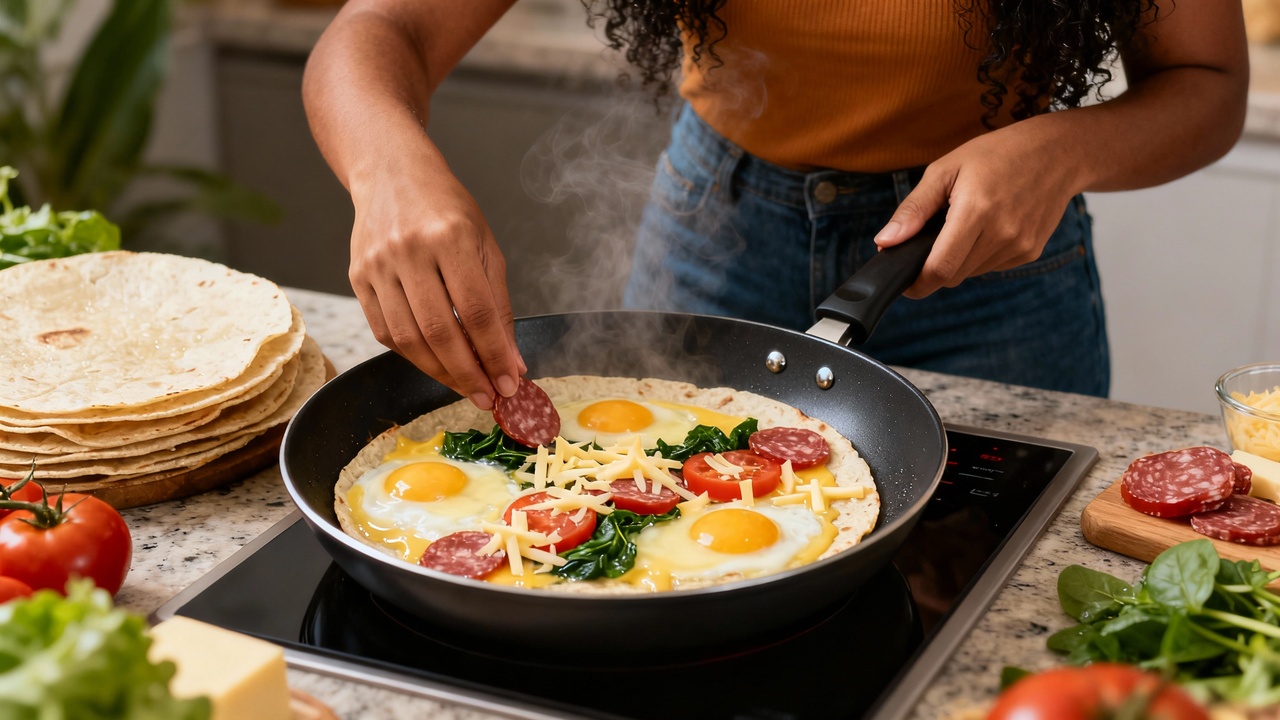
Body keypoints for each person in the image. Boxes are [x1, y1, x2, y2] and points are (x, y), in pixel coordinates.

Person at [302, 0, 1248, 408]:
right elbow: (380, 30)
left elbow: (1207, 84)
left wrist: (1063, 147)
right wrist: (389, 170)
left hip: (994, 266)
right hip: (714, 230)